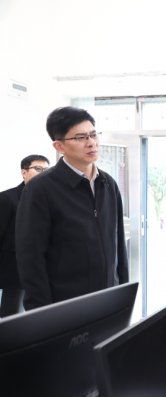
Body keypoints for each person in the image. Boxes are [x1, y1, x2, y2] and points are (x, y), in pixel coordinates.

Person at [16, 107, 129, 310]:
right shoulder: (41, 188)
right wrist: (42, 312)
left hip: (108, 299)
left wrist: (123, 295)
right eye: (80, 137)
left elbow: (119, 244)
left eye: (93, 134)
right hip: (65, 305)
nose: (91, 142)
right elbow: (30, 257)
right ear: (59, 146)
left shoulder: (108, 183)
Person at [0, 155, 49, 317]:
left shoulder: (49, 198)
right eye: (38, 169)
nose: (43, 173)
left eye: (46, 170)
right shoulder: (7, 198)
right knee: (11, 314)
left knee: (39, 313)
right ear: (24, 172)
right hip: (14, 267)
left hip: (43, 265)